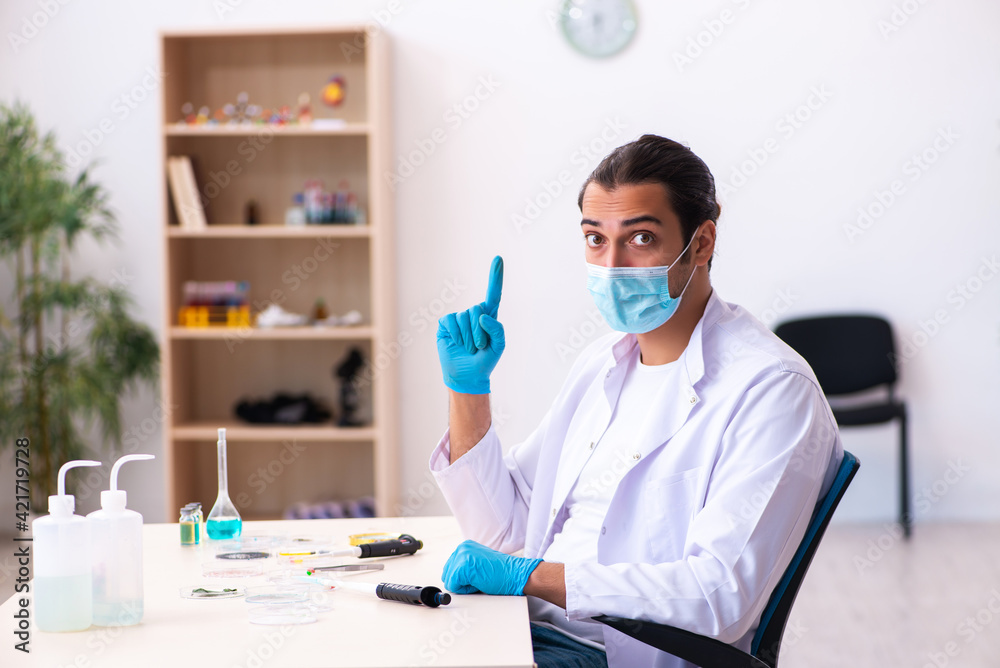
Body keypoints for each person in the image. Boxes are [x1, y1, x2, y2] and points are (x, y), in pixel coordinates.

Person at [429, 134, 843, 668]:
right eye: (595, 239)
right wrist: (468, 392)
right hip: (526, 629)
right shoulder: (604, 363)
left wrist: (530, 577)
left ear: (702, 243)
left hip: (613, 655)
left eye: (641, 238)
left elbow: (720, 595)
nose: (613, 265)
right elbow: (505, 535)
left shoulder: (772, 389)